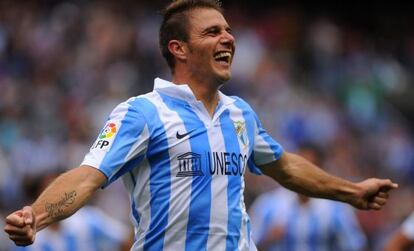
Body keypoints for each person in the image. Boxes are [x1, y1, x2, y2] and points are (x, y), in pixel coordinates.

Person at [4, 1, 398, 250]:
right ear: (179, 49)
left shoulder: (240, 113)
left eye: (228, 30)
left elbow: (286, 167)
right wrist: (36, 216)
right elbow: (87, 177)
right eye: (213, 32)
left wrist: (353, 191)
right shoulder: (140, 112)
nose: (229, 37)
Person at [249, 145, 367, 251]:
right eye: (299, 168)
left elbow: (356, 245)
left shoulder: (336, 209)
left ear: (320, 171)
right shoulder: (268, 205)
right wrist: (268, 239)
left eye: (310, 169)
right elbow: (245, 245)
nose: (303, 175)